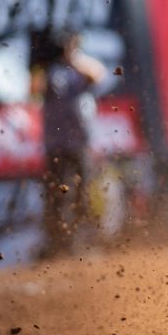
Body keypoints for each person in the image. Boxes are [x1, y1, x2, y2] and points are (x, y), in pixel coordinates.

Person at [35, 31, 106, 255]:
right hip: (55, 143)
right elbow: (33, 89)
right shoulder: (49, 70)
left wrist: (73, 60)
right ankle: (57, 243)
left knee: (83, 192)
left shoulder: (81, 65)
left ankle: (83, 240)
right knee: (56, 194)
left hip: (79, 142)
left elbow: (99, 75)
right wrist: (42, 62)